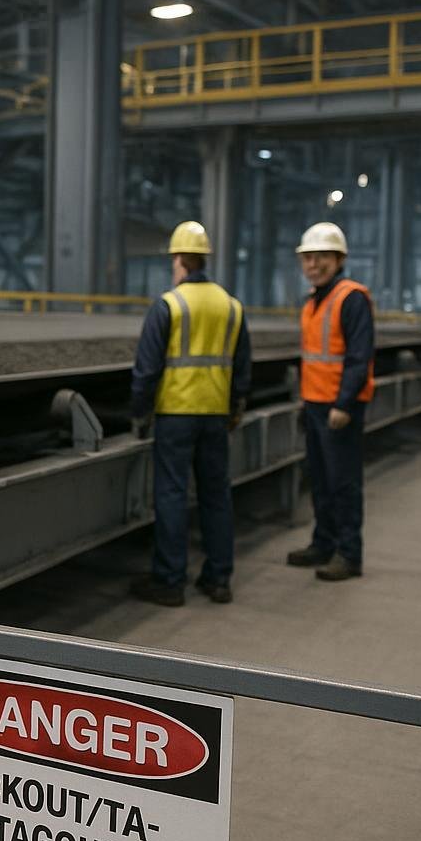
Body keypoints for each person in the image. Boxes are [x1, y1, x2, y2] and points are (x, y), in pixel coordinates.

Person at [128, 221, 252, 607]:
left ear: (179, 259)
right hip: (216, 415)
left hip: (177, 415)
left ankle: (170, 581)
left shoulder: (169, 305)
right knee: (216, 496)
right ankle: (218, 579)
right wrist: (235, 407)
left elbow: (146, 370)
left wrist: (139, 412)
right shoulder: (232, 307)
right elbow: (242, 367)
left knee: (171, 494)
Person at [285, 221, 375, 582]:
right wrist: (309, 404)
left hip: (340, 408)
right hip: (316, 404)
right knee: (321, 480)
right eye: (308, 257)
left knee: (344, 482)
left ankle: (349, 554)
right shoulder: (313, 301)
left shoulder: (351, 298)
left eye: (322, 256)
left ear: (339, 259)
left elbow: (359, 356)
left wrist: (344, 404)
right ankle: (323, 543)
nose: (313, 264)